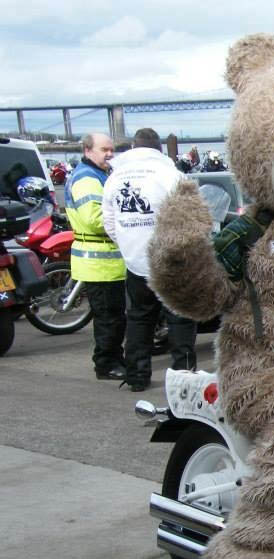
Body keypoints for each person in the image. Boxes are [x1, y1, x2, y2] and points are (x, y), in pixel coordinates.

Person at [102, 128, 197, 392]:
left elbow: (109, 221)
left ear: (134, 147)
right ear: (160, 149)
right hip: (170, 259)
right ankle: (183, 381)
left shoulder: (115, 177)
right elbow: (190, 217)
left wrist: (128, 244)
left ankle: (136, 376)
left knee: (139, 319)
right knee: (180, 318)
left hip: (135, 261)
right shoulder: (171, 175)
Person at [65, 132, 126, 381]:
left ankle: (114, 358)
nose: (110, 154)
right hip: (97, 261)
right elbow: (94, 219)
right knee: (108, 318)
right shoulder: (87, 179)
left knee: (113, 316)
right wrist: (125, 220)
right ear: (88, 150)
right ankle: (106, 364)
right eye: (104, 149)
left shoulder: (100, 174)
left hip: (106, 262)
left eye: (111, 149)